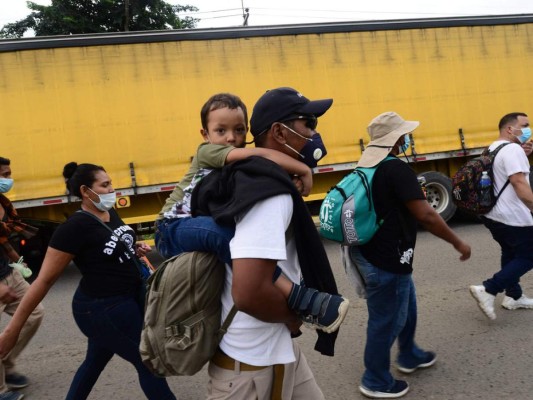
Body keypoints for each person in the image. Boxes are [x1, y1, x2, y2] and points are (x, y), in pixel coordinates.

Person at [191, 87, 341, 399]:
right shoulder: (269, 193)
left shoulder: (256, 180)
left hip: (273, 350)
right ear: (279, 132)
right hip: (251, 367)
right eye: (308, 123)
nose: (315, 133)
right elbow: (248, 291)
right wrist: (291, 317)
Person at [155, 92, 348, 333]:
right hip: (170, 227)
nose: (231, 138)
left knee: (229, 239)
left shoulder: (235, 165)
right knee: (226, 238)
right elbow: (262, 155)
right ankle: (295, 296)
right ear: (205, 135)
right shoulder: (208, 152)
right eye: (221, 131)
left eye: (238, 130)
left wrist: (290, 179)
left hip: (192, 224)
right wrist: (303, 169)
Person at [0, 163, 176, 400]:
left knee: (94, 362)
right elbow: (43, 282)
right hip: (103, 308)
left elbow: (109, 245)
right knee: (149, 363)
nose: (112, 189)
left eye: (110, 183)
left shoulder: (108, 212)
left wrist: (133, 248)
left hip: (127, 299)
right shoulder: (74, 228)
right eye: (105, 185)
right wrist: (12, 330)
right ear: (86, 191)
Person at [346, 112, 471, 399]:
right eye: (403, 134)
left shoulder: (368, 166)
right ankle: (375, 379)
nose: (407, 138)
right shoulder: (394, 170)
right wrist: (458, 242)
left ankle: (410, 354)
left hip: (375, 252)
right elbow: (427, 215)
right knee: (386, 319)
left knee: (406, 302)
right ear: (397, 139)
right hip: (385, 258)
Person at [469, 112, 533, 320]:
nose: (527, 130)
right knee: (528, 255)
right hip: (513, 215)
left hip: (493, 215)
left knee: (511, 252)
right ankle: (488, 289)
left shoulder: (492, 147)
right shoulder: (513, 149)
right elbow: (518, 181)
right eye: (524, 125)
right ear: (509, 129)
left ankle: (514, 296)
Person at [0, 157, 44, 400]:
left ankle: (6, 362)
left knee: (34, 312)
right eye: (4, 175)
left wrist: (16, 261)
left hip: (8, 271)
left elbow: (3, 239)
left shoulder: (3, 203)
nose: (8, 180)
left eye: (8, 174)